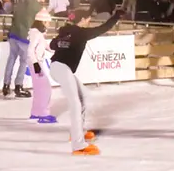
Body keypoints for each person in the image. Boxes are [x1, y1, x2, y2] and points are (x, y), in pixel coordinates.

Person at [49, 9, 123, 156]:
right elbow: (103, 29)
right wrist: (116, 16)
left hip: (60, 68)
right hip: (61, 68)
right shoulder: (81, 33)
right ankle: (78, 145)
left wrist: (62, 41)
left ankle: (79, 132)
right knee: (75, 103)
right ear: (82, 19)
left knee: (83, 96)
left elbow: (52, 45)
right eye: (88, 19)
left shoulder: (66, 31)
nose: (89, 21)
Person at [3, 0, 46, 98]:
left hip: (13, 33)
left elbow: (15, 16)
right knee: (23, 61)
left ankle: (6, 85)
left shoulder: (22, 3)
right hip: (23, 36)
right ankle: (18, 86)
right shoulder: (38, 6)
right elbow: (41, 23)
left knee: (11, 58)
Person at [28, 9, 55, 123]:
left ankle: (36, 112)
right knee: (45, 88)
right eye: (48, 22)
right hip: (36, 63)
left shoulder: (37, 34)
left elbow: (45, 46)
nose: (49, 24)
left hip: (36, 62)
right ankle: (43, 114)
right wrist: (36, 65)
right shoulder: (36, 34)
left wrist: (56, 49)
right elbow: (30, 50)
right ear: (43, 22)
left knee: (40, 89)